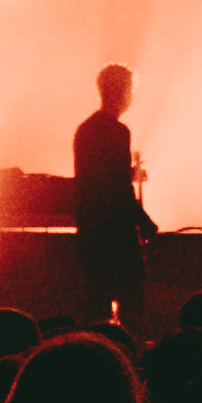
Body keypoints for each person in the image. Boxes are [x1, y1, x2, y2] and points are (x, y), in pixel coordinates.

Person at [67, 64, 147, 336]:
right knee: (132, 302)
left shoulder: (85, 129)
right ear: (123, 92)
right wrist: (144, 222)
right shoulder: (117, 131)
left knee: (96, 304)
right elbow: (118, 188)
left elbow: (95, 178)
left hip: (91, 230)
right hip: (116, 232)